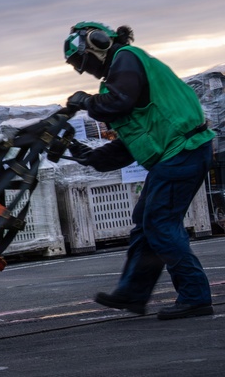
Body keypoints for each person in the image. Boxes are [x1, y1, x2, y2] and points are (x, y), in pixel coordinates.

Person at [65, 21, 215, 320]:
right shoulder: (120, 79)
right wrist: (92, 157)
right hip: (177, 154)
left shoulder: (127, 59)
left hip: (183, 150)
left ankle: (195, 297)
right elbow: (131, 143)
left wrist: (86, 101)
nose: (84, 69)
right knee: (147, 222)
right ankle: (133, 294)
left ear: (97, 43)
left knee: (159, 223)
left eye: (82, 61)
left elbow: (117, 103)